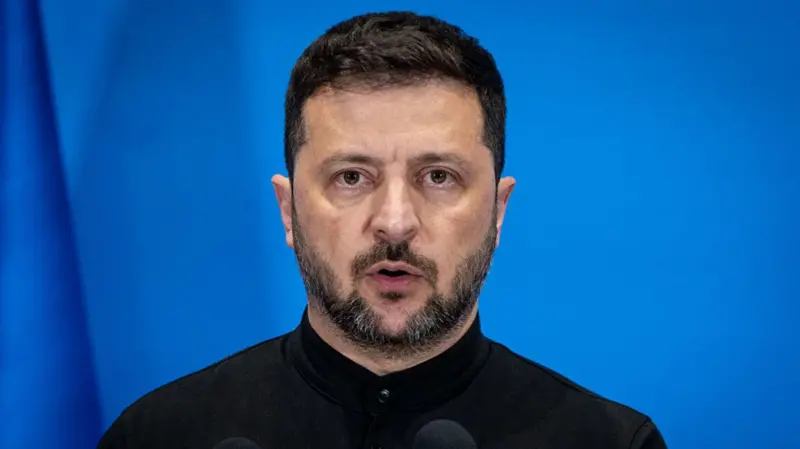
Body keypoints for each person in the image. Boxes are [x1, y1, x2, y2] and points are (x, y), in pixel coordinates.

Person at [98, 11, 666, 449]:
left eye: (438, 176)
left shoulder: (609, 441)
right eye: (351, 177)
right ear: (288, 210)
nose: (395, 222)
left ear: (498, 212)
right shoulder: (158, 435)